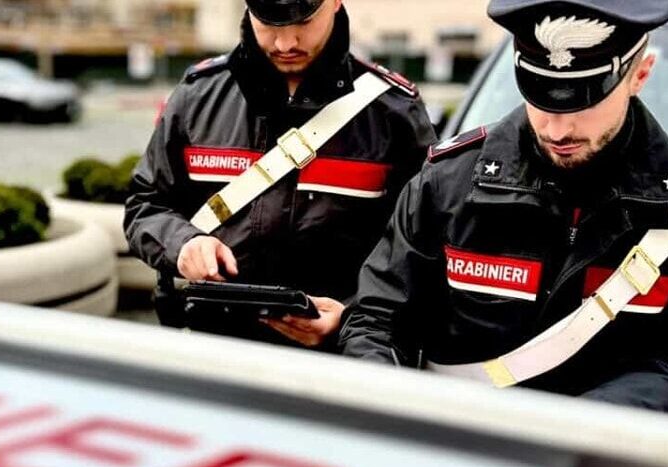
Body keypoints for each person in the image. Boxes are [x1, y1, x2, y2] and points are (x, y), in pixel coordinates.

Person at [338, 0, 668, 417]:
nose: (558, 129)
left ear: (639, 74)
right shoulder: (448, 184)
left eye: (583, 104)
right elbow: (377, 319)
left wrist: (592, 422)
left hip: (600, 464)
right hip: (454, 446)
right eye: (542, 99)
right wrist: (386, 404)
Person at [124, 0, 436, 348]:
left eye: (303, 22)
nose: (285, 43)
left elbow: (424, 252)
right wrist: (183, 244)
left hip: (340, 364)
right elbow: (144, 205)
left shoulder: (394, 112)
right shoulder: (197, 96)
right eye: (269, 22)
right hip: (212, 352)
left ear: (335, 2)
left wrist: (351, 318)